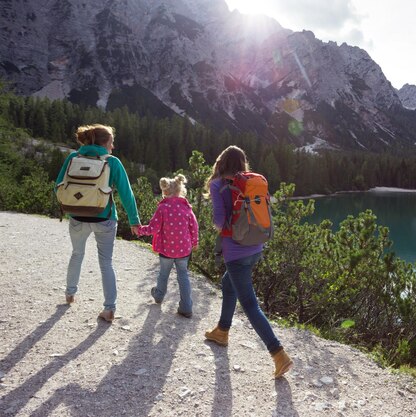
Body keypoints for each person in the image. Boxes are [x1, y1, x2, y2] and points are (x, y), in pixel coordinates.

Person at [204, 145, 293, 378]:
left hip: (236, 252)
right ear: (242, 163)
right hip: (256, 247)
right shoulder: (251, 183)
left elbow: (220, 221)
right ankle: (222, 331)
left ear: (221, 162)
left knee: (250, 304)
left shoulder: (217, 185)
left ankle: (278, 354)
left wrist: (217, 221)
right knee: (228, 283)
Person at [56, 124, 141, 322]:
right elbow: (127, 195)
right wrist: (134, 221)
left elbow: (58, 186)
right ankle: (109, 308)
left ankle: (70, 294)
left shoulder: (73, 158)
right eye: (111, 142)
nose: (113, 147)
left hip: (77, 217)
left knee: (77, 254)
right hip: (105, 218)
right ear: (104, 142)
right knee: (106, 263)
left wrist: (73, 203)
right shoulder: (112, 162)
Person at [134, 174, 199, 318]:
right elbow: (194, 227)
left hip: (166, 249)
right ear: (180, 190)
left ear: (165, 192)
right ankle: (186, 307)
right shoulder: (186, 207)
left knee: (163, 273)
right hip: (184, 250)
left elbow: (153, 228)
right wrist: (195, 243)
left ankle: (158, 296)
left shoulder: (163, 208)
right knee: (183, 276)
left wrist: (140, 230)